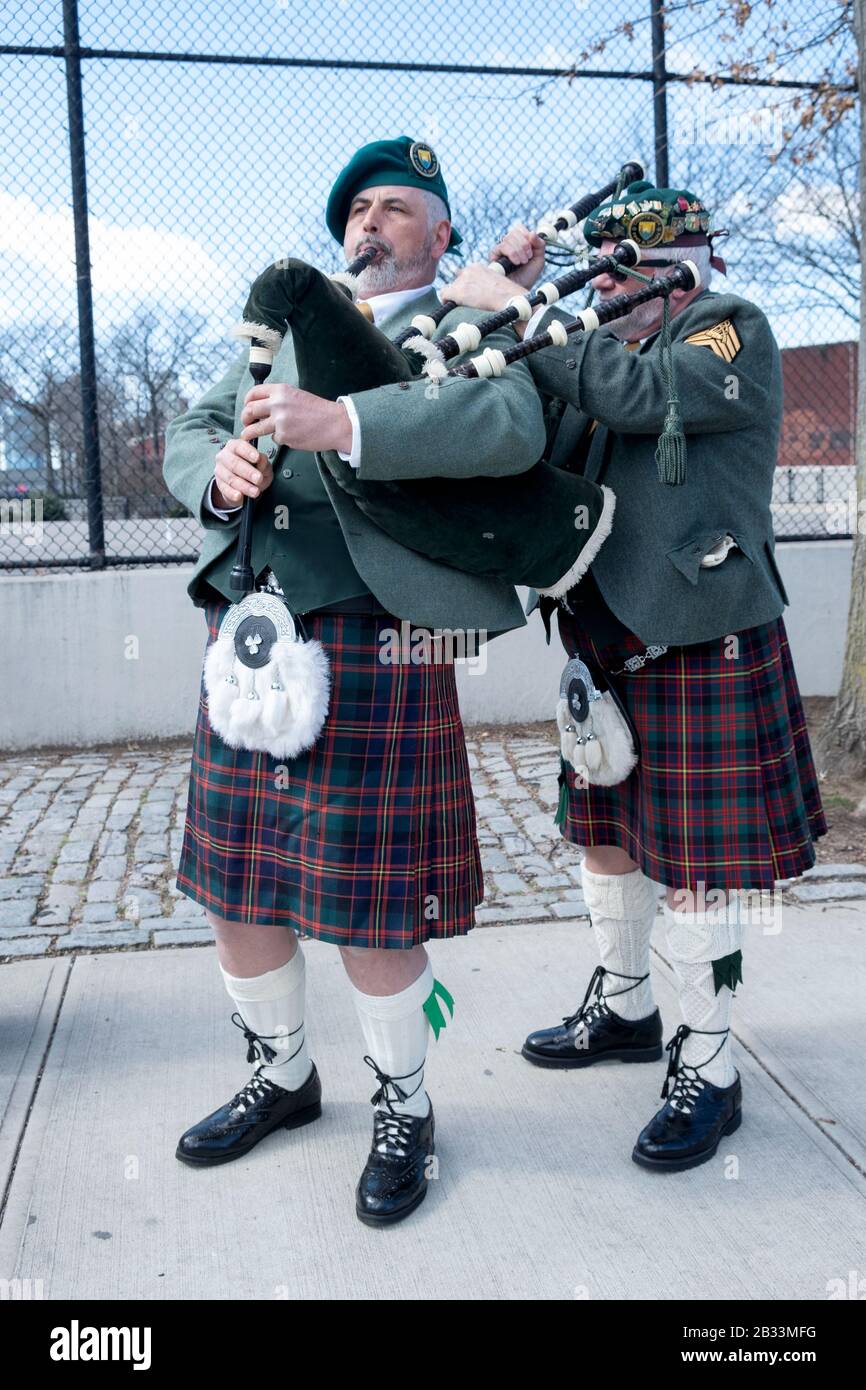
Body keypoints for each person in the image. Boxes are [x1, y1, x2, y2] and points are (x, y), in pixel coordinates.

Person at [162, 136, 548, 1224]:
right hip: (250, 631)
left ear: (439, 232)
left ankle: (406, 1103)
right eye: (355, 209)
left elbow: (507, 426)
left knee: (378, 912)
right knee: (236, 890)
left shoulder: (469, 315)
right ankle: (283, 1074)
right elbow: (192, 426)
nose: (366, 223)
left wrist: (347, 424)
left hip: (382, 640)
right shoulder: (286, 319)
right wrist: (219, 472)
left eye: (393, 206)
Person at [443, 177, 827, 1171]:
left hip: (705, 635)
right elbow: (525, 415)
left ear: (687, 262)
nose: (628, 286)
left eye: (646, 266)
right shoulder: (594, 347)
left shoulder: (726, 329)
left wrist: (536, 313)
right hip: (601, 641)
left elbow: (638, 398)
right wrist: (500, 290)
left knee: (702, 870)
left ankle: (710, 1061)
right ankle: (623, 1005)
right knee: (606, 835)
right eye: (613, 266)